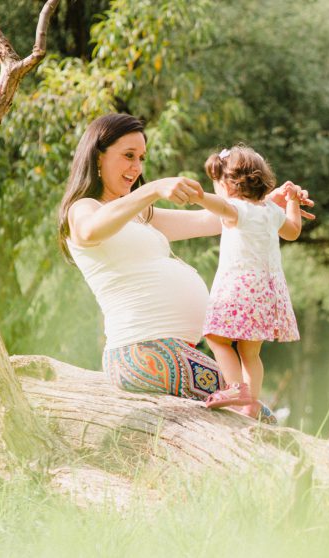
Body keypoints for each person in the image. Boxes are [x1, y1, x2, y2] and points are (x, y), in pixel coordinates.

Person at [57, 113, 313, 421]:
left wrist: (264, 205)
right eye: (128, 156)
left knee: (253, 410)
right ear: (98, 155)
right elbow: (88, 231)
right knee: (254, 413)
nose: (136, 168)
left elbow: (219, 220)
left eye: (141, 158)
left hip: (175, 349)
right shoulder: (85, 208)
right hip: (141, 353)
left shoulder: (142, 215)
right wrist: (153, 189)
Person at [194, 145, 303, 419]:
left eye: (217, 183)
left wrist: (196, 195)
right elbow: (293, 231)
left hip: (240, 288)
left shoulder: (235, 209)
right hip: (267, 292)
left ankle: (235, 389)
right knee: (250, 353)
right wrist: (292, 201)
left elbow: (216, 204)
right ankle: (250, 403)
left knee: (216, 338)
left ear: (230, 185)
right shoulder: (270, 211)